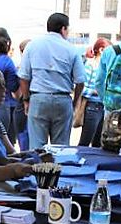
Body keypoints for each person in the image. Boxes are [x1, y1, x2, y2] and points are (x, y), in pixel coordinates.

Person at [17, 13, 86, 149]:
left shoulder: (32, 46)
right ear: (63, 29)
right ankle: (58, 169)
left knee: (37, 147)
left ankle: (36, 169)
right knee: (60, 149)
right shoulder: (71, 49)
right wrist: (75, 101)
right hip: (62, 100)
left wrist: (26, 100)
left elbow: (24, 77)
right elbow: (80, 81)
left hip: (38, 98)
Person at [78, 37, 111, 147]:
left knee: (99, 142)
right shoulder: (90, 64)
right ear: (101, 50)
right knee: (85, 140)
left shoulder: (107, 66)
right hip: (92, 105)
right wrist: (96, 90)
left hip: (104, 105)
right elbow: (83, 86)